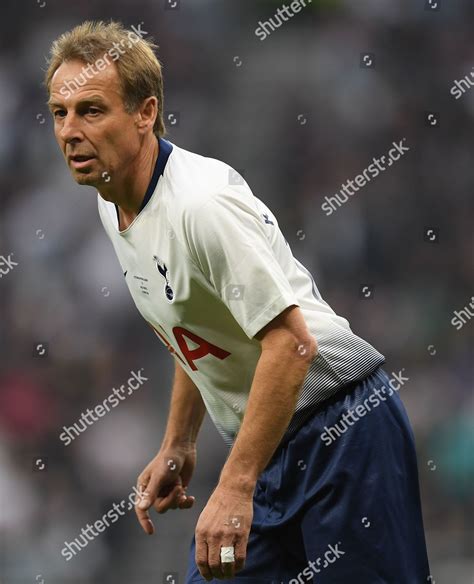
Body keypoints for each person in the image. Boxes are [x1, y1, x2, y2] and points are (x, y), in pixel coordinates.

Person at [45, 20, 431, 583]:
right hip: (269, 439)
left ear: (145, 113)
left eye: (92, 110)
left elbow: (292, 343)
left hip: (344, 432)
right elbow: (194, 325)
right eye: (61, 112)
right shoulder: (114, 200)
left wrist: (234, 484)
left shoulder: (201, 206)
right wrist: (179, 442)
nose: (71, 130)